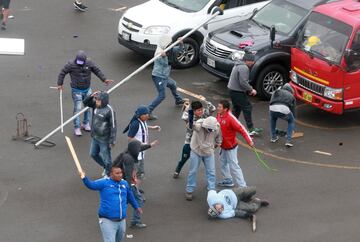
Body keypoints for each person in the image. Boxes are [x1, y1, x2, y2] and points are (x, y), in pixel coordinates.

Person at [57, 50, 113, 136]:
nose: (80, 64)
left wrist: (104, 79)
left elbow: (97, 71)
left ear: (85, 60)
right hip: (76, 91)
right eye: (78, 62)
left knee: (88, 107)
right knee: (78, 109)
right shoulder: (71, 64)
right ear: (76, 59)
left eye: (81, 62)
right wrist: (60, 84)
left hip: (87, 89)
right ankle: (77, 127)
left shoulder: (89, 63)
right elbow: (62, 72)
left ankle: (85, 123)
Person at [79, 166, 141, 242]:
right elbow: (91, 185)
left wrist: (136, 207)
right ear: (111, 174)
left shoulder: (124, 183)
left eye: (121, 172)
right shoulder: (104, 183)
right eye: (117, 173)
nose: (120, 175)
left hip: (121, 221)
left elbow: (130, 196)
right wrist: (84, 177)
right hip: (107, 220)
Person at [113, 139, 158, 229]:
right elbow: (128, 174)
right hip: (128, 184)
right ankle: (135, 221)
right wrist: (128, 188)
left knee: (124, 201)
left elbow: (139, 148)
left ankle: (115, 217)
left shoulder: (126, 153)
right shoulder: (129, 160)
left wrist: (150, 145)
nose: (138, 150)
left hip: (124, 183)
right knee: (138, 200)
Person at [173, 100, 216, 178]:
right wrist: (188, 107)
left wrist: (205, 101)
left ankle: (210, 177)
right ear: (193, 111)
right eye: (198, 110)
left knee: (207, 160)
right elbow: (185, 116)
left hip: (203, 141)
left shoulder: (204, 113)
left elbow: (213, 108)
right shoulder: (189, 116)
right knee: (184, 157)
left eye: (201, 109)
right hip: (190, 141)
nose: (200, 112)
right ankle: (178, 169)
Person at [216, 100, 254, 188]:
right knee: (223, 163)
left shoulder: (230, 118)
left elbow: (241, 128)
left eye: (219, 107)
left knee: (234, 166)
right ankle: (228, 180)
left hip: (231, 147)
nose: (218, 108)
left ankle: (243, 186)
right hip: (223, 146)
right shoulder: (219, 114)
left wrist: (249, 141)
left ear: (225, 109)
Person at [147, 34, 185, 120]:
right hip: (158, 77)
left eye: (171, 43)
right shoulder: (159, 53)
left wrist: (181, 43)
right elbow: (165, 64)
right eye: (169, 44)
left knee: (173, 84)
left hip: (165, 76)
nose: (171, 45)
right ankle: (148, 111)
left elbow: (179, 50)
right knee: (162, 95)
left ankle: (178, 100)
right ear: (165, 44)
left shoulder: (169, 50)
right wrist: (163, 57)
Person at [185, 116, 222, 201]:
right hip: (196, 151)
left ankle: (211, 189)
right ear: (204, 126)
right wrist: (190, 114)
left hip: (209, 152)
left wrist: (217, 144)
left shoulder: (216, 128)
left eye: (212, 129)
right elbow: (190, 125)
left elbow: (218, 138)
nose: (210, 130)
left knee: (211, 171)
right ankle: (189, 190)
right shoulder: (198, 125)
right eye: (209, 129)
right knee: (193, 171)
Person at [228, 50, 262, 136]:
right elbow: (243, 82)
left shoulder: (238, 65)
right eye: (252, 61)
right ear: (247, 60)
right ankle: (250, 129)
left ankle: (231, 126)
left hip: (233, 90)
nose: (253, 62)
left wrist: (247, 90)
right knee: (247, 107)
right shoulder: (244, 68)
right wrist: (251, 90)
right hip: (237, 91)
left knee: (237, 109)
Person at [83, 91, 117, 176]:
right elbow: (85, 102)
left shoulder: (110, 111)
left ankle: (109, 174)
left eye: (98, 100)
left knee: (107, 159)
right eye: (96, 99)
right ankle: (106, 168)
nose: (96, 101)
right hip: (95, 137)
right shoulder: (95, 105)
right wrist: (91, 96)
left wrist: (112, 141)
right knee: (93, 154)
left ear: (104, 101)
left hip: (104, 140)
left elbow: (113, 126)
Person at [123, 105, 161, 179]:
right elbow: (130, 138)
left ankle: (140, 175)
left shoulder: (142, 121)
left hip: (142, 150)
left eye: (148, 114)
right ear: (140, 115)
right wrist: (142, 143)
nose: (147, 115)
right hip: (136, 151)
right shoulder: (135, 124)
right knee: (134, 169)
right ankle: (132, 181)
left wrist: (153, 127)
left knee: (141, 164)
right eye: (145, 114)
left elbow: (144, 127)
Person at [269, 83, 296, 147]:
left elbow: (271, 102)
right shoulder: (291, 95)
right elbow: (293, 110)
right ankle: (288, 141)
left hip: (272, 107)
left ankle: (273, 137)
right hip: (284, 108)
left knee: (272, 119)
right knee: (291, 121)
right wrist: (292, 124)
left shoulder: (276, 91)